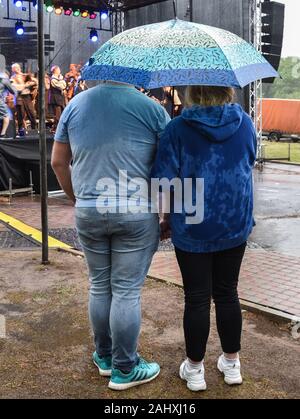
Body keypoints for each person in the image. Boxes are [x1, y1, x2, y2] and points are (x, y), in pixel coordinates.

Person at [51, 80, 170, 391]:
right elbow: (169, 165)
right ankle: (125, 368)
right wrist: (166, 211)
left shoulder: (76, 105)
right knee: (126, 290)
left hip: (90, 209)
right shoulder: (152, 109)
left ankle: (104, 357)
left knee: (99, 285)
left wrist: (77, 197)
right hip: (135, 210)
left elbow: (58, 161)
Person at [151, 85, 257, 392]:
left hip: (193, 226)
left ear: (191, 93)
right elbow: (249, 159)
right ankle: (232, 363)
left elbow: (164, 181)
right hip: (234, 222)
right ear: (227, 92)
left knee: (196, 298)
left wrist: (165, 217)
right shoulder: (245, 122)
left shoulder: (178, 128)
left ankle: (195, 370)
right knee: (228, 293)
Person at [49, 66, 66, 133]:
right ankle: (56, 129)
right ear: (55, 71)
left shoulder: (58, 79)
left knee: (60, 114)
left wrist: (61, 81)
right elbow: (61, 86)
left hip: (59, 99)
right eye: (58, 70)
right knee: (58, 115)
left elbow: (64, 85)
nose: (60, 71)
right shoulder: (53, 79)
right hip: (55, 99)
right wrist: (61, 80)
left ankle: (54, 128)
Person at [0, 72, 16, 139]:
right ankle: (3, 134)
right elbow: (14, 91)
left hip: (5, 101)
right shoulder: (5, 81)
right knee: (7, 115)